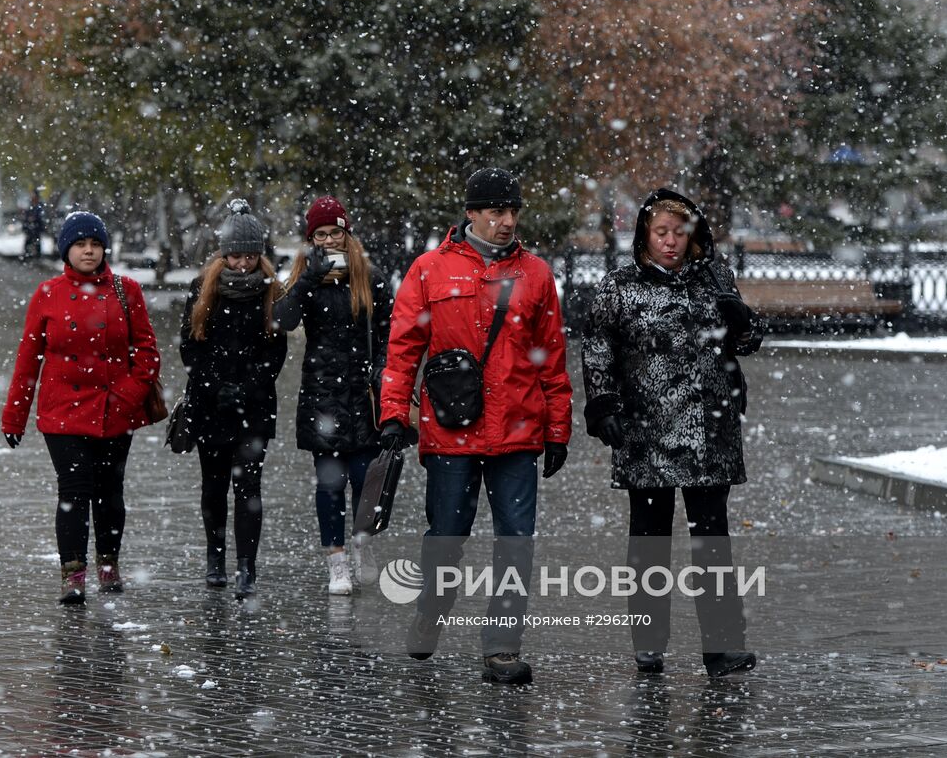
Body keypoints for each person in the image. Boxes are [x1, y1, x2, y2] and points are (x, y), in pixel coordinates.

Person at [379, 168, 573, 685]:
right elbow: (401, 353)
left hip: (518, 431)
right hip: (451, 431)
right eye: (495, 211)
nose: (506, 221)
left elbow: (552, 358)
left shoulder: (535, 275)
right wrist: (394, 415)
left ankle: (502, 647)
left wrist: (559, 429)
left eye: (512, 211)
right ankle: (430, 613)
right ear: (471, 213)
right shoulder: (428, 270)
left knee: (516, 541)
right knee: (445, 536)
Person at [580, 188, 762, 678]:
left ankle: (722, 646)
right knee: (649, 541)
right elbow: (598, 349)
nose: (670, 242)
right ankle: (649, 643)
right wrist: (603, 404)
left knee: (712, 542)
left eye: (679, 232)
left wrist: (742, 320)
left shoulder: (713, 280)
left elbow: (747, 340)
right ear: (644, 234)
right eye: (661, 232)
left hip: (709, 427)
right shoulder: (619, 287)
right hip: (646, 431)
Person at [1, 211, 162, 606]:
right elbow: (28, 361)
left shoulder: (127, 291)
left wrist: (126, 395)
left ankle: (109, 565)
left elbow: (147, 353)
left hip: (115, 410)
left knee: (110, 491)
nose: (88, 251)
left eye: (94, 244)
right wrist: (14, 416)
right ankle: (73, 574)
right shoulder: (47, 294)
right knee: (73, 492)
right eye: (80, 244)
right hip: (64, 413)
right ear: (66, 251)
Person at [273, 196, 394, 595]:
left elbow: (391, 329)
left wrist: (382, 369)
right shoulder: (305, 278)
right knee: (329, 484)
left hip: (363, 394)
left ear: (347, 234)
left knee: (365, 480)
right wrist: (309, 277)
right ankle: (336, 561)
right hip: (322, 396)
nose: (329, 241)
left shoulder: (369, 278)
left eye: (335, 233)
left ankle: (362, 544)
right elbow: (282, 319)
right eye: (320, 235)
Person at [176, 199, 287, 600]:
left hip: (254, 410)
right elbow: (190, 346)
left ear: (260, 255)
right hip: (211, 408)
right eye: (235, 256)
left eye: (250, 256)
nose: (242, 264)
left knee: (249, 489)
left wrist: (249, 387)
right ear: (223, 254)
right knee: (213, 486)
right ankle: (215, 557)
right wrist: (216, 387)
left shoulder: (272, 292)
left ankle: (246, 567)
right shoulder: (202, 288)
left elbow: (276, 352)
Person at [22, 190, 47, 261]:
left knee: (37, 242)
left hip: (36, 227)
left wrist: (34, 218)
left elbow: (41, 216)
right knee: (28, 242)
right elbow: (27, 215)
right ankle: (26, 256)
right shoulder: (30, 205)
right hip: (30, 227)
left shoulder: (39, 206)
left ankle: (37, 257)